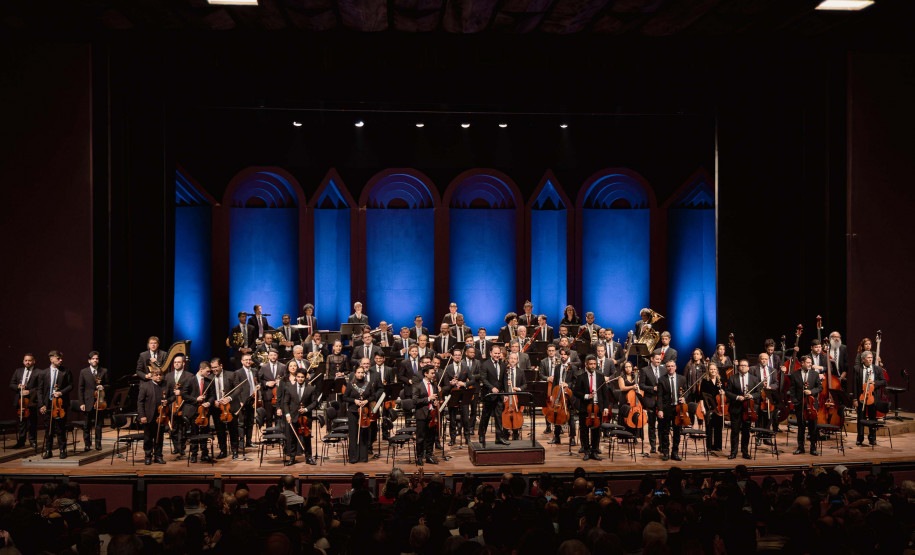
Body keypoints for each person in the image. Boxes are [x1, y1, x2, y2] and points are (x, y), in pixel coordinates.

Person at [573, 356, 608, 461]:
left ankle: (594, 451)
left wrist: (606, 407)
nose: (593, 366)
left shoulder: (601, 377)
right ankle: (586, 451)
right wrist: (587, 396)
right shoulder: (581, 377)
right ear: (586, 364)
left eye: (594, 364)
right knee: (584, 430)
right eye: (591, 364)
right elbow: (576, 392)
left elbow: (605, 394)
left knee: (596, 431)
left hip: (598, 407)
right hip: (585, 407)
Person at [39, 350, 72, 459]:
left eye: (61, 358)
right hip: (47, 404)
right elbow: (40, 390)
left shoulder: (66, 371)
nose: (61, 360)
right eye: (58, 358)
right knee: (48, 428)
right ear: (51, 359)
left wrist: (61, 392)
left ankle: (62, 449)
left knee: (60, 428)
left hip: (60, 404)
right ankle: (49, 450)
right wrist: (41, 405)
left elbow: (70, 386)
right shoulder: (43, 373)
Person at [342, 364, 378, 463]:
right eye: (359, 372)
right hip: (353, 412)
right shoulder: (350, 384)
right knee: (353, 434)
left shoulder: (368, 384)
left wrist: (366, 401)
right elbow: (345, 397)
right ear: (355, 373)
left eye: (362, 372)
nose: (360, 374)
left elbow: (373, 396)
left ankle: (363, 457)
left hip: (364, 413)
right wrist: (354, 401)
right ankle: (353, 457)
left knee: (364, 434)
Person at [726, 359, 760, 460]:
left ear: (748, 367)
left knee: (746, 431)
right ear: (738, 367)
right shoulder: (732, 378)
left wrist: (752, 395)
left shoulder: (754, 379)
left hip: (748, 409)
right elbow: (728, 392)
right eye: (741, 365)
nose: (743, 367)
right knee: (735, 432)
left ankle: (745, 452)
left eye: (745, 365)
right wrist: (737, 397)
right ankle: (733, 452)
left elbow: (759, 392)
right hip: (736, 408)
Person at [283, 367, 317, 465]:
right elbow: (285, 403)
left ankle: (308, 458)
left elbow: (315, 402)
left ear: (305, 377)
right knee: (293, 438)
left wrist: (306, 409)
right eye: (298, 377)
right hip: (293, 416)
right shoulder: (289, 387)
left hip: (306, 418)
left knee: (307, 438)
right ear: (296, 377)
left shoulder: (311, 388)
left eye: (302, 377)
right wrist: (287, 414)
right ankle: (292, 458)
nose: (300, 379)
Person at [852, 350, 885, 446]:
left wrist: (874, 383)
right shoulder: (857, 369)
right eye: (868, 358)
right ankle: (860, 438)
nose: (870, 359)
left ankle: (872, 438)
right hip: (861, 396)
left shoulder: (877, 369)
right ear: (863, 360)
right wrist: (854, 399)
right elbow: (854, 385)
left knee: (872, 418)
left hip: (872, 397)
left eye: (871, 358)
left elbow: (883, 381)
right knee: (860, 418)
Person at [78, 351, 109, 451]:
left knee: (99, 425)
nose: (95, 360)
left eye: (97, 358)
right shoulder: (83, 372)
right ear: (89, 360)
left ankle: (98, 444)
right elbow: (81, 388)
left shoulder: (103, 371)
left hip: (100, 402)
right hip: (88, 401)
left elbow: (109, 385)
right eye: (93, 359)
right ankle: (87, 444)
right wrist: (82, 403)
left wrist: (103, 386)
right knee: (87, 425)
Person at [209, 358, 240, 459]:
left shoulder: (231, 375)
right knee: (220, 430)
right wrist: (214, 402)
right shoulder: (210, 378)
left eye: (215, 367)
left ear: (221, 366)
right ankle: (223, 451)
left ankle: (235, 451)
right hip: (217, 408)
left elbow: (239, 388)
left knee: (233, 430)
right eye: (212, 368)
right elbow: (210, 394)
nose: (214, 370)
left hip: (230, 407)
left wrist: (229, 398)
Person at [790, 355, 821, 456]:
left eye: (810, 363)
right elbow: (792, 390)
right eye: (808, 363)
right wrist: (795, 402)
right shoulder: (795, 374)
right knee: (801, 427)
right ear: (802, 363)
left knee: (813, 426)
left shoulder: (815, 374)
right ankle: (800, 447)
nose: (810, 364)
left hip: (812, 404)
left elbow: (819, 388)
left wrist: (811, 391)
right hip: (800, 404)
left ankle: (813, 447)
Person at [164, 353, 194, 458]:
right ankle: (176, 447)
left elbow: (191, 392)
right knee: (173, 428)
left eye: (179, 362)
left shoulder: (189, 376)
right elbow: (166, 392)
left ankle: (182, 448)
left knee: (183, 428)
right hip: (172, 405)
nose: (177, 364)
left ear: (183, 363)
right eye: (175, 362)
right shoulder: (168, 376)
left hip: (184, 405)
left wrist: (180, 393)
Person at [137, 368, 168, 465]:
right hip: (149, 415)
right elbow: (140, 402)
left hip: (161, 416)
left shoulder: (165, 385)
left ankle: (158, 456)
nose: (158, 377)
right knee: (148, 437)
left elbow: (171, 397)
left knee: (159, 437)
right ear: (152, 376)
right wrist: (142, 415)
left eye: (160, 375)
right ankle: (148, 456)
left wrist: (167, 401)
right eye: (156, 375)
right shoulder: (145, 385)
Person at [479, 345, 508, 447]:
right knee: (485, 416)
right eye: (495, 353)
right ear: (490, 353)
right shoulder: (485, 364)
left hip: (499, 395)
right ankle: (482, 436)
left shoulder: (503, 365)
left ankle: (499, 438)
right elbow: (483, 379)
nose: (497, 355)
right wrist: (491, 388)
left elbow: (504, 380)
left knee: (499, 417)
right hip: (489, 395)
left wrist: (505, 393)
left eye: (498, 353)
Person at [548, 348, 578, 446]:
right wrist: (552, 394)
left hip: (567, 394)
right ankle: (556, 437)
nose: (563, 356)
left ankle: (572, 438)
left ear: (568, 356)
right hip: (558, 394)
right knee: (556, 413)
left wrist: (567, 384)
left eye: (565, 354)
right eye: (561, 354)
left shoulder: (572, 368)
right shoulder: (557, 367)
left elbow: (575, 382)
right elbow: (555, 382)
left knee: (570, 417)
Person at [657, 360, 686, 461]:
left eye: (672, 366)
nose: (670, 368)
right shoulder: (661, 379)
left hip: (678, 409)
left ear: (675, 367)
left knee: (677, 432)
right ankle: (665, 452)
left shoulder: (682, 379)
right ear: (666, 368)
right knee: (665, 431)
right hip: (666, 408)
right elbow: (659, 396)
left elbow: (686, 392)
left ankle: (675, 453)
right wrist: (660, 410)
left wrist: (684, 398)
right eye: (668, 366)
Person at [10, 352, 40, 449]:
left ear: (34, 361)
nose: (27, 362)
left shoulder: (38, 372)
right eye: (26, 360)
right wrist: (18, 387)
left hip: (32, 400)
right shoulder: (18, 371)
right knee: (21, 421)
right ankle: (21, 441)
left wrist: (29, 392)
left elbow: (40, 387)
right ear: (23, 361)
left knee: (32, 422)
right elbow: (11, 384)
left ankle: (33, 441)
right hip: (20, 401)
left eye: (29, 360)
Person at [187, 361, 215, 463]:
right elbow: (184, 395)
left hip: (205, 411)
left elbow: (212, 396)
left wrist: (208, 402)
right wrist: (196, 399)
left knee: (204, 432)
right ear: (201, 369)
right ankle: (194, 454)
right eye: (208, 371)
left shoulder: (209, 381)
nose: (209, 373)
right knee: (194, 433)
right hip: (194, 411)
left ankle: (204, 454)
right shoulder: (190, 380)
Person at [412, 365, 440, 465]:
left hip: (432, 414)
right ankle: (419, 457)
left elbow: (436, 398)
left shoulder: (434, 385)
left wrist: (436, 402)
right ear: (425, 374)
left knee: (431, 436)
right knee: (420, 437)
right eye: (432, 373)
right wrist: (429, 399)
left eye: (434, 373)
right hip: (421, 414)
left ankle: (429, 456)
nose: (434, 374)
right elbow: (415, 401)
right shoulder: (418, 386)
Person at [639, 350, 664, 453]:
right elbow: (641, 385)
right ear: (652, 359)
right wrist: (651, 388)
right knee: (652, 425)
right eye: (657, 359)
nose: (658, 361)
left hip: (661, 401)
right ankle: (653, 446)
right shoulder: (645, 370)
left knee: (662, 425)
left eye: (660, 359)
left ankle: (662, 445)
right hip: (651, 400)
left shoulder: (664, 370)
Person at [235, 354, 259, 451]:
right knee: (241, 423)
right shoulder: (238, 372)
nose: (248, 361)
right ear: (242, 361)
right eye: (246, 360)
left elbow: (257, 382)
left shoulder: (254, 371)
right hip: (243, 401)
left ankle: (249, 441)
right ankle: (241, 442)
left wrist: (258, 386)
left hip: (252, 400)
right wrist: (240, 400)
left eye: (249, 360)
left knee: (250, 422)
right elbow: (236, 388)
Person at [258, 349, 286, 429]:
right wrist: (266, 383)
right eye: (271, 355)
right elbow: (259, 379)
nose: (273, 357)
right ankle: (269, 437)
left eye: (275, 355)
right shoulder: (264, 367)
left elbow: (286, 378)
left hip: (279, 395)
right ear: (268, 356)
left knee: (278, 417)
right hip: (268, 395)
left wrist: (281, 382)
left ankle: (278, 436)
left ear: (277, 356)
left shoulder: (283, 366)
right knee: (268, 417)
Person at [699, 362, 725, 452]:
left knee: (718, 427)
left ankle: (718, 446)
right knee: (709, 426)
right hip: (708, 405)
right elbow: (701, 396)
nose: (713, 371)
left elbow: (725, 392)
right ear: (708, 370)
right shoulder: (705, 381)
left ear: (716, 370)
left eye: (714, 369)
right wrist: (702, 407)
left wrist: (723, 392)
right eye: (711, 369)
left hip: (718, 406)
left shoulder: (720, 380)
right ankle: (709, 446)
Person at [504, 352, 527, 441]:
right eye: (511, 358)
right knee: (505, 413)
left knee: (516, 413)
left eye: (514, 359)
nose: (512, 360)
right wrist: (506, 383)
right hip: (507, 396)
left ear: (517, 361)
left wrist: (518, 388)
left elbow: (525, 384)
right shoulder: (505, 371)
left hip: (516, 396)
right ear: (508, 360)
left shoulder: (521, 371)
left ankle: (515, 432)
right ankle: (505, 432)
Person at [616, 361, 641, 438]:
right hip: (624, 399)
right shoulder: (621, 377)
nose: (628, 368)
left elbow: (638, 387)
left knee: (634, 415)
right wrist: (632, 387)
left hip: (633, 399)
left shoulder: (636, 376)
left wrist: (639, 393)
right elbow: (622, 388)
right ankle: (623, 435)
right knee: (626, 416)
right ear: (624, 368)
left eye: (629, 366)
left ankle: (634, 434)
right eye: (626, 367)